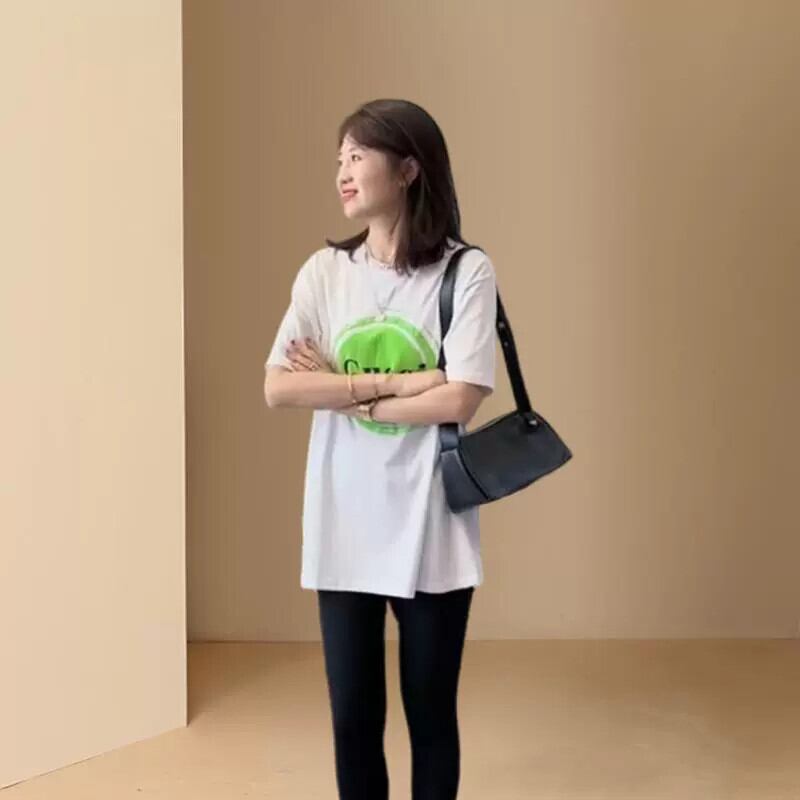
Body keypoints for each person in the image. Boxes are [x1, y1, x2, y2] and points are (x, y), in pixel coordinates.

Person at [263, 98, 497, 800]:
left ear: (409, 169)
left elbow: (460, 398)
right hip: (344, 521)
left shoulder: (465, 272)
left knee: (431, 717)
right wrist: (400, 382)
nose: (343, 171)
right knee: (353, 721)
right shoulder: (324, 274)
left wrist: (340, 388)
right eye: (339, 158)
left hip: (432, 526)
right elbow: (279, 387)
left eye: (358, 156)